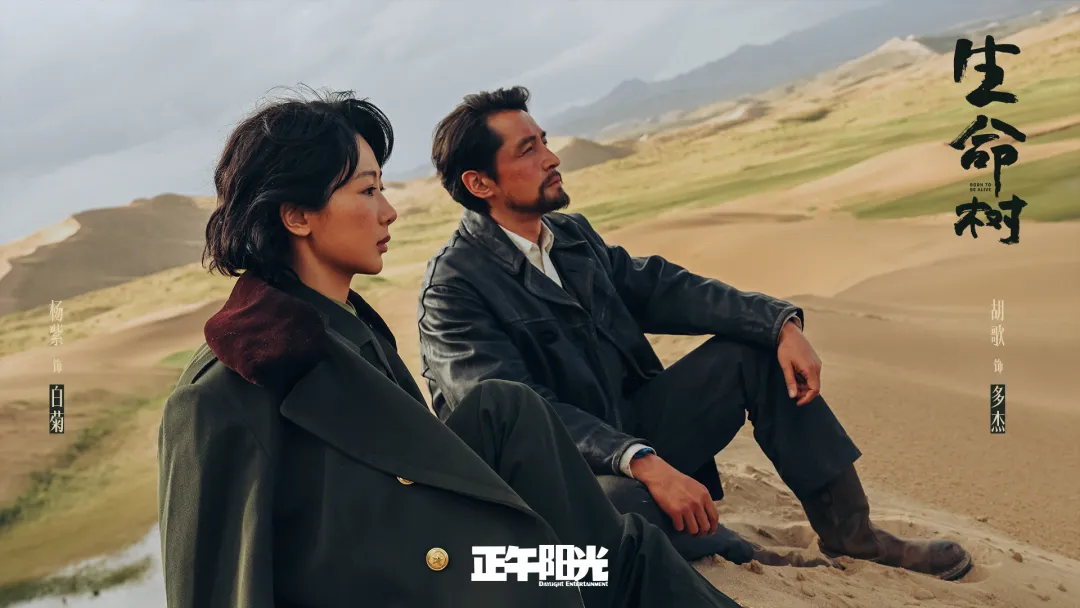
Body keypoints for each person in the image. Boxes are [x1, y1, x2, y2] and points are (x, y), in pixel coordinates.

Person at [157, 88, 742, 608]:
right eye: (367, 190)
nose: (388, 211)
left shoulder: (352, 332)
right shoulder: (224, 392)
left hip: (471, 569)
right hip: (447, 582)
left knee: (519, 427)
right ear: (296, 215)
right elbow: (213, 588)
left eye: (383, 188)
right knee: (589, 561)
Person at [416, 85, 974, 581]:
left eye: (544, 141)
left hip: (628, 431)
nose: (552, 158)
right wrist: (640, 460)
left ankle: (855, 538)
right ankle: (740, 556)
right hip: (553, 481)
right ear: (479, 182)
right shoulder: (453, 290)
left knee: (754, 353)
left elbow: (664, 289)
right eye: (528, 150)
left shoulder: (570, 236)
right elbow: (520, 416)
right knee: (622, 506)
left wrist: (778, 323)